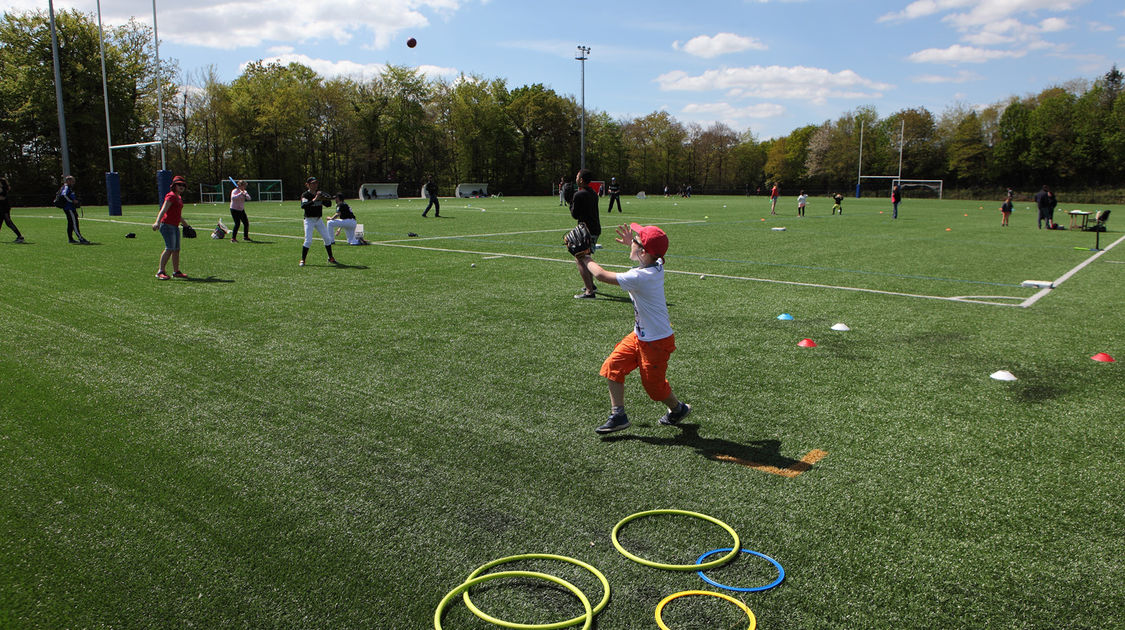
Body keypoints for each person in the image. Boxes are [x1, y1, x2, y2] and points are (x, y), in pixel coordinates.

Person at [573, 222, 691, 434]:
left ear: (644, 251)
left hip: (656, 342)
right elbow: (646, 256)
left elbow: (600, 275)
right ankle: (618, 415)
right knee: (612, 366)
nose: (632, 241)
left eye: (636, 241)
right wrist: (632, 244)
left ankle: (678, 409)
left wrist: (585, 256)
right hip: (640, 336)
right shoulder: (655, 265)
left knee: (654, 389)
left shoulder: (640, 277)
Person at [152, 175, 193, 279]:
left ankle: (176, 271)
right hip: (167, 225)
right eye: (179, 184)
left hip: (175, 226)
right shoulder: (171, 196)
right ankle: (160, 271)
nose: (181, 186)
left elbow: (177, 214)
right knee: (169, 248)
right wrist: (157, 222)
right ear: (174, 186)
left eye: (183, 185)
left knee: (176, 249)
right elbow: (163, 209)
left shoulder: (178, 197)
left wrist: (186, 224)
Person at [570, 168, 602, 299]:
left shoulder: (579, 195)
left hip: (586, 231)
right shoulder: (593, 193)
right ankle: (591, 285)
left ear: (581, 180)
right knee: (586, 257)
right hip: (595, 229)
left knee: (580, 258)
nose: (576, 178)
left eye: (577, 177)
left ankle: (589, 291)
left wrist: (570, 202)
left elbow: (574, 214)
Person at [299, 176, 337, 266]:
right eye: (312, 183)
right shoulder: (305, 195)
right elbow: (303, 206)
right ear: (307, 185)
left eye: (316, 183)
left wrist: (324, 198)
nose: (315, 185)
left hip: (318, 219)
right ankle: (303, 260)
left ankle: (330, 257)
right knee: (308, 240)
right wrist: (314, 199)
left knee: (327, 239)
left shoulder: (319, 193)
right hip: (309, 220)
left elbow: (329, 204)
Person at [58, 175, 89, 244]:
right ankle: (80, 238)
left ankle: (71, 239)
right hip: (69, 208)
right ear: (68, 181)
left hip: (70, 208)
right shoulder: (66, 187)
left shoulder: (69, 188)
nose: (73, 182)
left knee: (71, 223)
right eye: (72, 181)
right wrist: (72, 201)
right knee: (74, 223)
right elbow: (64, 195)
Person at [0, 177, 24, 243]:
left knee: (8, 223)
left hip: (4, 208)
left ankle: (20, 237)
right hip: (2, 208)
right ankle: (20, 237)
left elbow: (2, 198)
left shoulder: (3, 189)